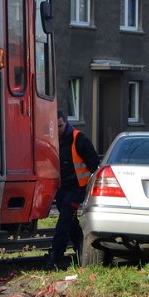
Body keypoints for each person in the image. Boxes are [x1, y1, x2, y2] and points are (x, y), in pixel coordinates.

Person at [44, 111, 100, 270]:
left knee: (64, 221)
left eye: (60, 126)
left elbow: (94, 164)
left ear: (66, 123)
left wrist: (90, 189)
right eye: (55, 127)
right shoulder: (52, 141)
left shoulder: (78, 138)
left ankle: (55, 256)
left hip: (77, 188)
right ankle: (83, 249)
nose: (59, 130)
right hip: (62, 189)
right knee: (70, 222)